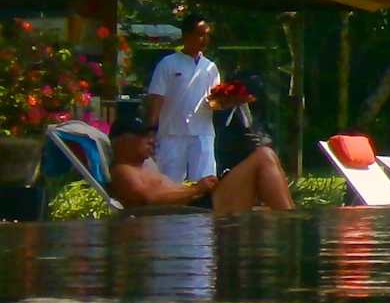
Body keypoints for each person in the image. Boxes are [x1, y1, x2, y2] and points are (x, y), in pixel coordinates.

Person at [109, 106, 293, 215]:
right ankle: (290, 222)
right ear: (121, 141)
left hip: (199, 203)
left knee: (267, 156)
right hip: (197, 210)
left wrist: (199, 188)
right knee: (263, 156)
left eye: (151, 135)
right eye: (143, 135)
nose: (151, 140)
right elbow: (149, 200)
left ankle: (289, 215)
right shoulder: (123, 171)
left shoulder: (144, 166)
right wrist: (196, 189)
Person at [144, 15, 220, 183]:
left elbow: (215, 100)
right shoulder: (168, 64)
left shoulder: (210, 67)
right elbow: (156, 98)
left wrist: (228, 100)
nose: (204, 39)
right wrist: (150, 131)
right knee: (168, 183)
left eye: (207, 34)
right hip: (172, 134)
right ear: (186, 35)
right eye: (200, 34)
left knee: (205, 182)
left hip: (202, 133)